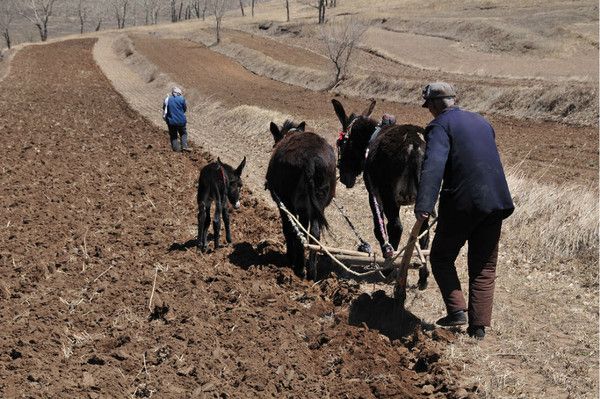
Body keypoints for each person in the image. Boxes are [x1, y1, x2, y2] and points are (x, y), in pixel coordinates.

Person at [415, 82, 514, 340]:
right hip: (496, 201)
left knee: (441, 256)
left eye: (429, 107)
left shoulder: (439, 126)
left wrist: (424, 205)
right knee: (483, 266)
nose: (429, 112)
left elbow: (433, 166)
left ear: (435, 105)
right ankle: (478, 328)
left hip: (463, 202)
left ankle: (457, 309)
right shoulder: (482, 122)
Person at [163, 87, 189, 152]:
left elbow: (164, 108)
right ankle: (184, 146)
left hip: (171, 121)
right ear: (179, 93)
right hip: (181, 121)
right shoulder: (182, 99)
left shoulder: (167, 99)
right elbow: (184, 109)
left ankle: (176, 150)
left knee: (173, 136)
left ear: (172, 93)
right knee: (183, 133)